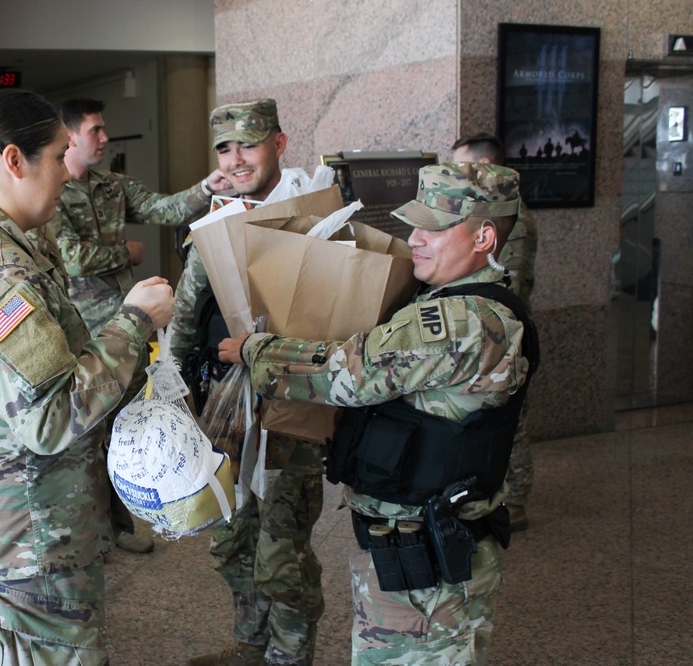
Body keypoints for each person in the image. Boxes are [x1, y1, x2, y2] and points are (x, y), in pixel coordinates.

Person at [219, 162, 535, 663]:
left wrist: (256, 351)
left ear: (485, 237)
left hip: (428, 574)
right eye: (413, 224)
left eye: (434, 227)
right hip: (410, 558)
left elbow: (351, 374)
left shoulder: (462, 321)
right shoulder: (447, 299)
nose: (415, 238)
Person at [0, 89, 174, 664]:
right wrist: (134, 321)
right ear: (13, 161)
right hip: (25, 535)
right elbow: (49, 419)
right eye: (57, 157)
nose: (65, 175)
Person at [38, 97, 229, 554]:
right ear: (70, 137)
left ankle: (120, 524)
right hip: (85, 334)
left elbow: (165, 209)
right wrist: (128, 253)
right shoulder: (52, 191)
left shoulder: (112, 186)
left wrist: (208, 186)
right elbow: (71, 257)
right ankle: (91, 531)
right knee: (89, 435)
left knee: (127, 429)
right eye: (95, 130)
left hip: (131, 327)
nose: (105, 138)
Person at [175, 99, 325, 666]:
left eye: (249, 144)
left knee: (281, 556)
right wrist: (177, 393)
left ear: (279, 144)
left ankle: (289, 657)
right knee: (230, 543)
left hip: (292, 411)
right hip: (225, 409)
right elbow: (188, 316)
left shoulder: (312, 212)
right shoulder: (216, 218)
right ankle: (252, 642)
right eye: (224, 147)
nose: (237, 159)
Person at [452, 132, 537, 530]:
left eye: (462, 169)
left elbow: (507, 290)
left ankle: (516, 500)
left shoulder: (510, 223)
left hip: (502, 337)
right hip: (490, 334)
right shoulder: (487, 214)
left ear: (486, 167)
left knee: (509, 420)